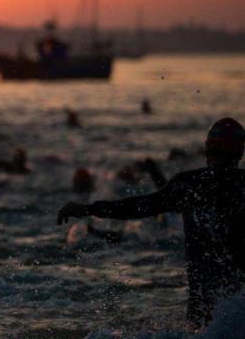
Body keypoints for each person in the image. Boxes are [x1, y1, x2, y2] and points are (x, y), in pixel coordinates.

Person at [57, 118, 245, 330]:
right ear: (240, 152)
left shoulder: (190, 184)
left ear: (207, 148)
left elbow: (138, 206)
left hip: (203, 303)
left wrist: (88, 209)